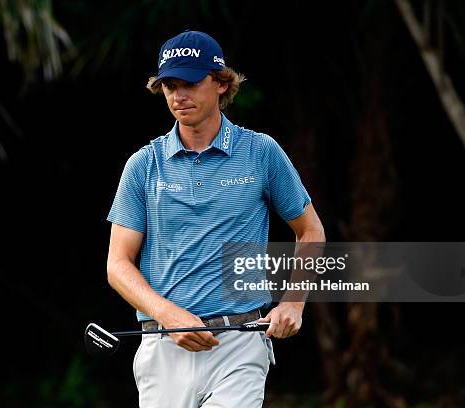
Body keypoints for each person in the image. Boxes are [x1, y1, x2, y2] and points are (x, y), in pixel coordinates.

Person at [106, 30, 325, 407]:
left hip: (238, 344)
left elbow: (310, 231)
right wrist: (168, 314)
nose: (178, 96)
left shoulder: (260, 152)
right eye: (169, 85)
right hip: (163, 348)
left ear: (221, 83)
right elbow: (117, 264)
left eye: (189, 83)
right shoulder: (144, 165)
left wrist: (293, 302)